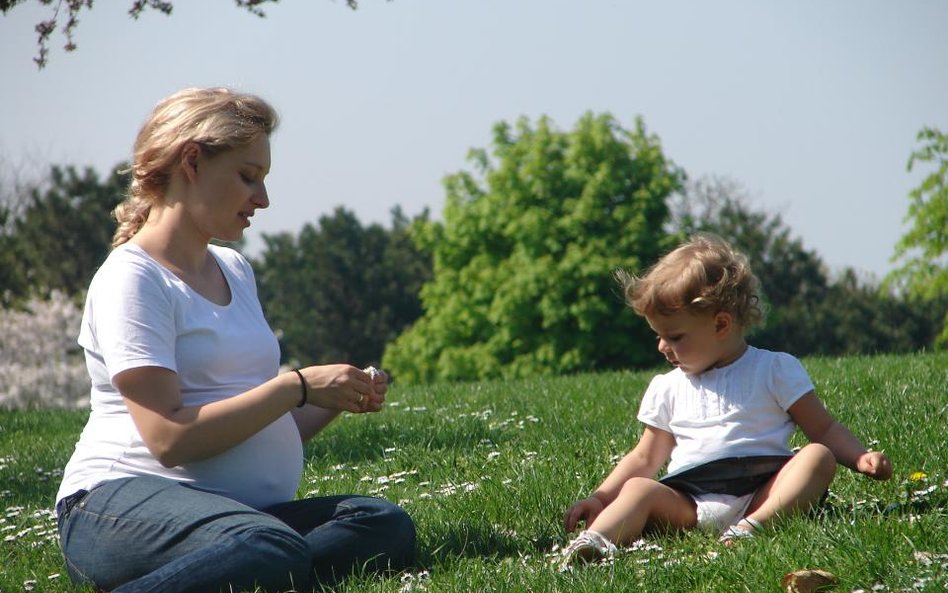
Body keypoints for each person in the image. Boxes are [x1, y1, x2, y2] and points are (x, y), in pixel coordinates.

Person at [55, 87, 416, 593]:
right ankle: (257, 562)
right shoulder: (133, 279)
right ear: (193, 162)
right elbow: (170, 438)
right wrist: (296, 386)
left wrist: (333, 396)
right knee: (267, 548)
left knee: (381, 522)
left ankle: (250, 567)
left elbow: (252, 417)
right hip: (115, 508)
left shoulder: (234, 269)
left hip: (238, 516)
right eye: (249, 177)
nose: (263, 199)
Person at [560, 233, 892, 568]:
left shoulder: (773, 369)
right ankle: (595, 543)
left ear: (721, 324)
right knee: (637, 489)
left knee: (818, 457)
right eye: (658, 336)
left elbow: (823, 429)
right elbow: (645, 456)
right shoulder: (669, 387)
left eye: (674, 336)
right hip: (688, 501)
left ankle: (752, 526)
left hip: (764, 488)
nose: (662, 346)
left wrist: (860, 456)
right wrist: (601, 497)